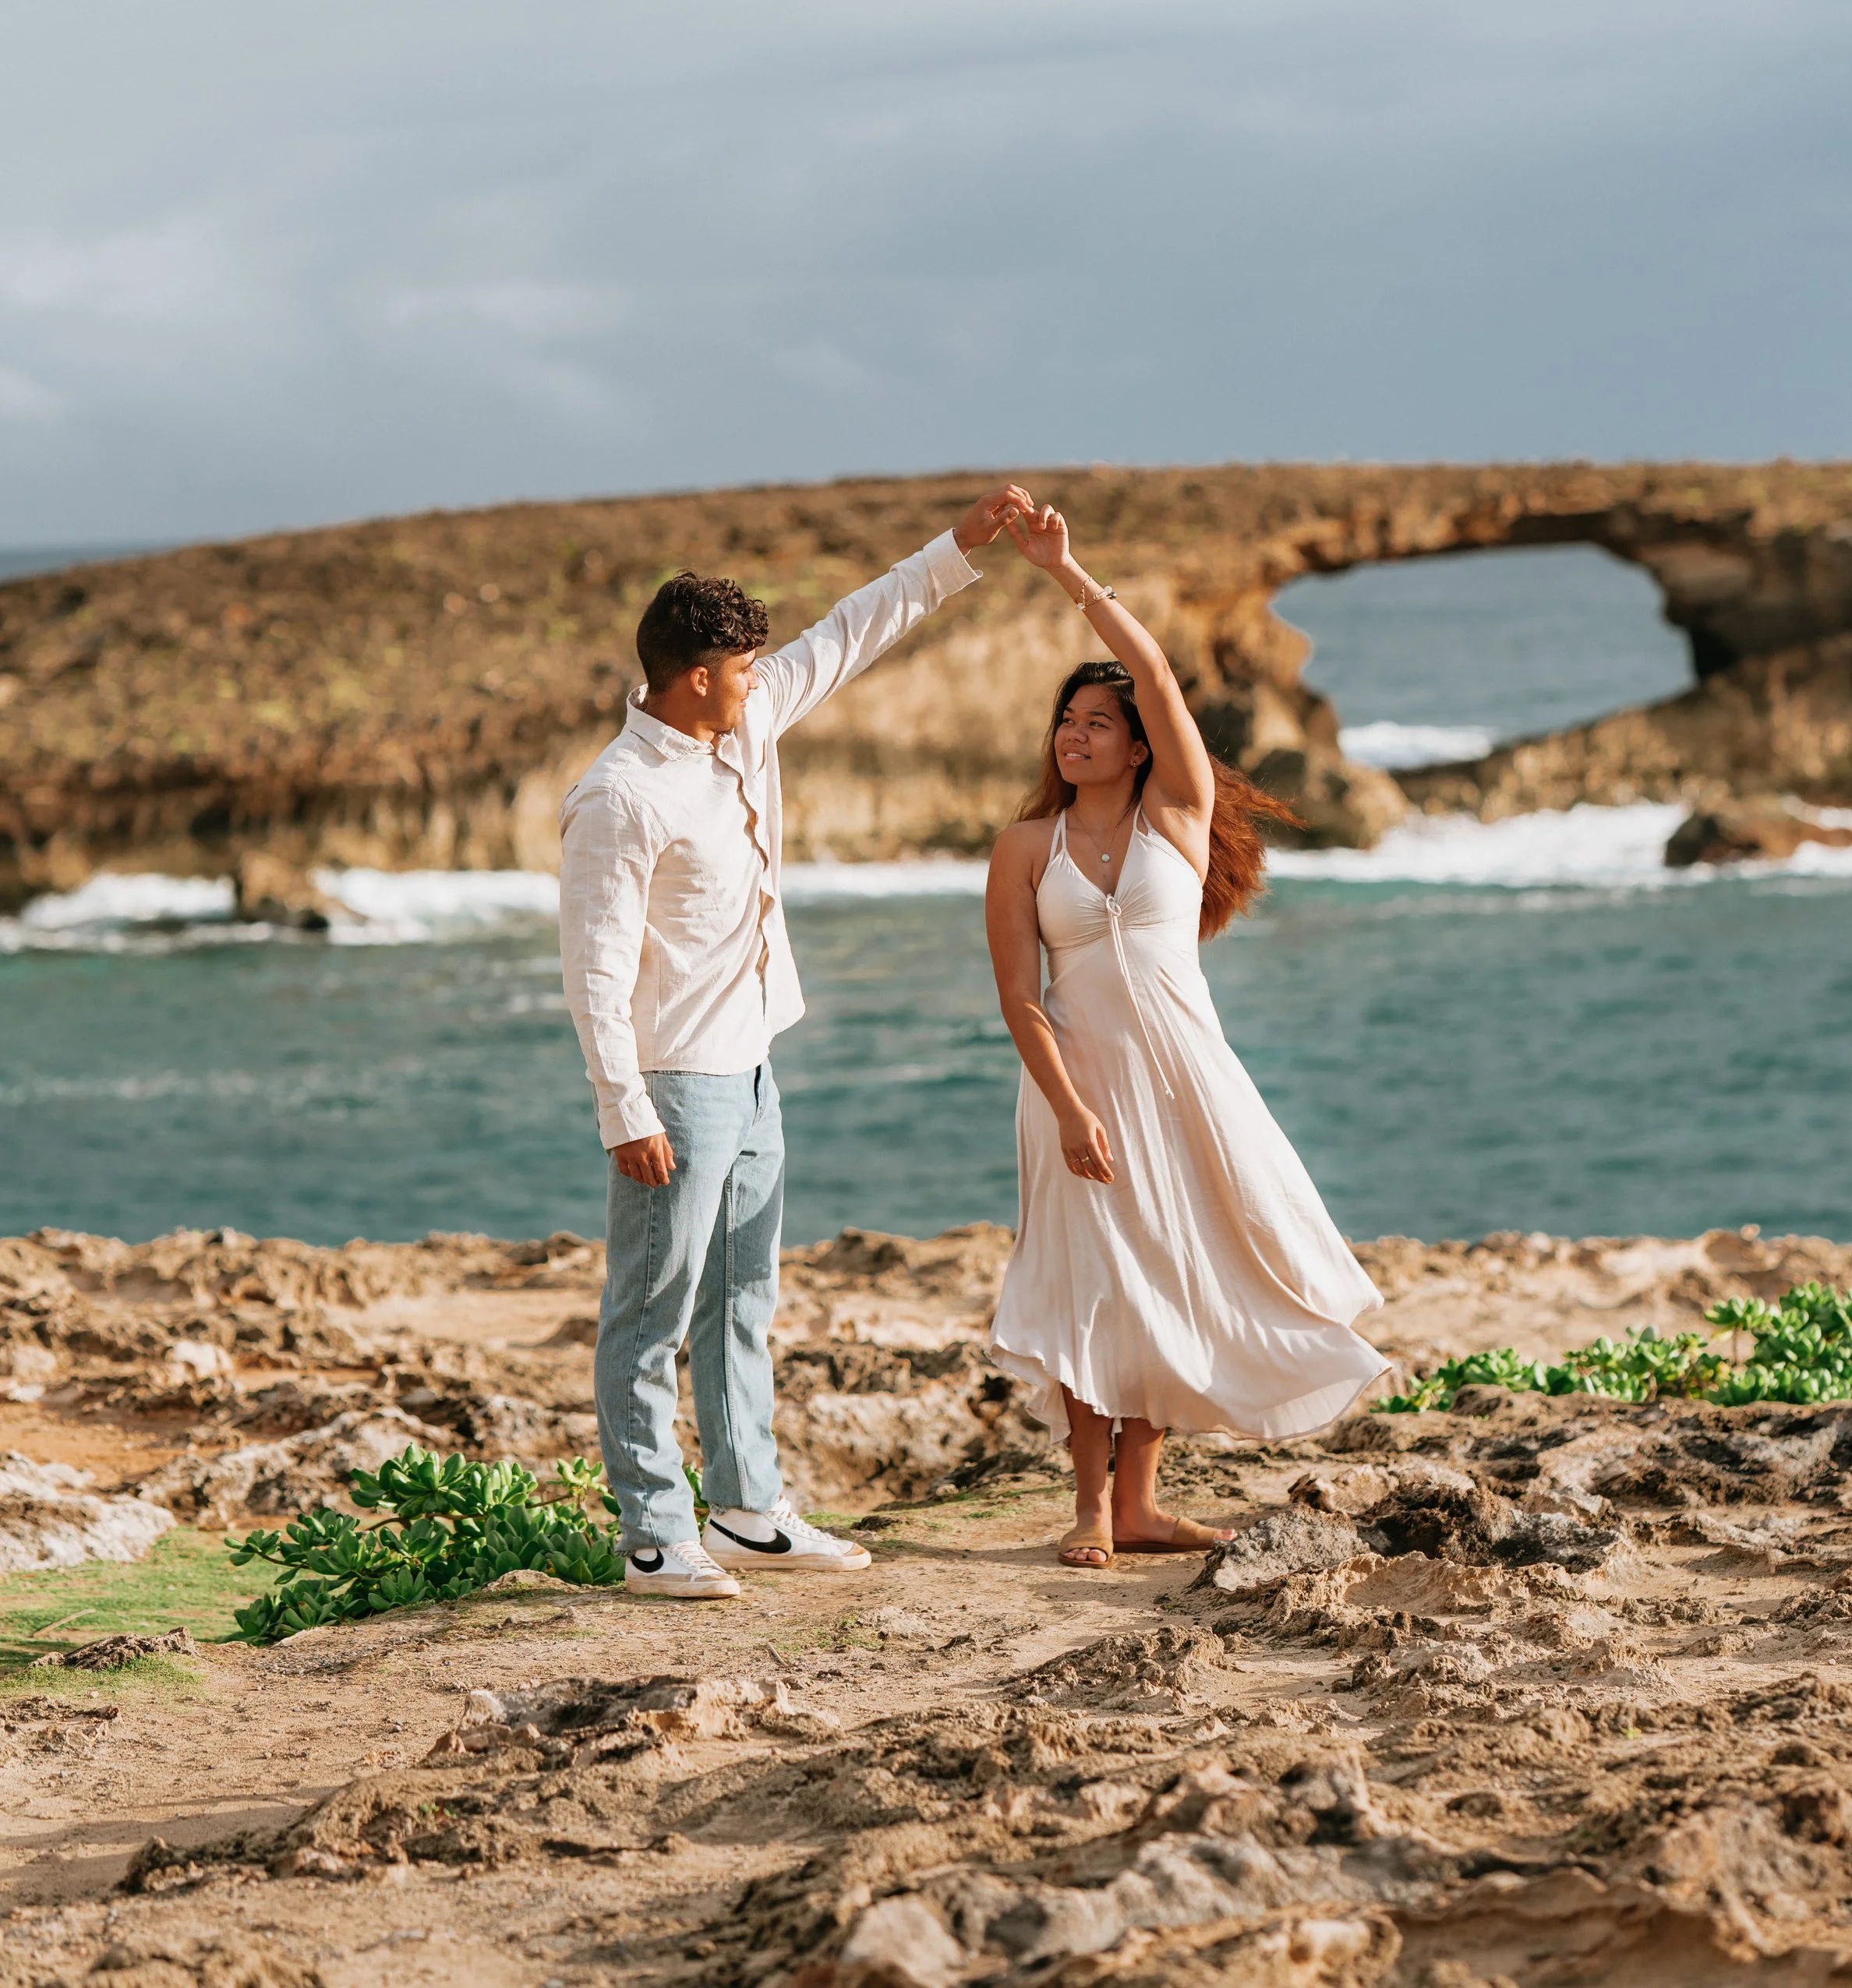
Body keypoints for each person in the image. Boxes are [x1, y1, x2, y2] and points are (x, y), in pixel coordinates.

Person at [560, 483, 1034, 1598]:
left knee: (743, 1300)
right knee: (648, 1312)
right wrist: (621, 1104)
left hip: (755, 1063)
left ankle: (746, 1510)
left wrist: (958, 548)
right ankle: (651, 1533)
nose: (762, 678)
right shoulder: (619, 797)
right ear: (692, 679)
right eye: (740, 667)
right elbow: (591, 966)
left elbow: (852, 630)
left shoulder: (749, 717)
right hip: (674, 1080)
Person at [985, 503, 1388, 1570]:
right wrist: (1070, 1108)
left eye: (1096, 723)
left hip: (1183, 1080)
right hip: (1075, 1082)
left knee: (1173, 1267)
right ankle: (1086, 1508)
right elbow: (1021, 996)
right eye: (1065, 723)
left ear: (1139, 744)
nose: (1075, 737)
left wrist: (1069, 575)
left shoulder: (1180, 818)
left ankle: (1141, 1502)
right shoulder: (1026, 846)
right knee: (1083, 1285)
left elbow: (1158, 674)